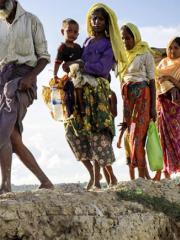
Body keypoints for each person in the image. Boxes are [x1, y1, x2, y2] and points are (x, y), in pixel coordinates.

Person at [63, 3, 125, 190]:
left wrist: (80, 64)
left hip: (98, 93)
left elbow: (103, 68)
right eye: (94, 18)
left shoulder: (109, 44)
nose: (96, 22)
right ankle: (93, 175)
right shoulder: (87, 42)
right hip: (80, 92)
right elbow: (77, 63)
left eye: (100, 19)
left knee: (96, 133)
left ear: (107, 23)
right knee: (73, 131)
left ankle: (100, 178)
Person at [0, 0, 54, 193]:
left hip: (22, 81)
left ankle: (5, 186)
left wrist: (30, 77)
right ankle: (45, 181)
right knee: (12, 137)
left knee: (3, 130)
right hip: (2, 80)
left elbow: (44, 56)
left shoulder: (31, 20)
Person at [153, 36, 180, 189]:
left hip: (177, 108)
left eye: (176, 48)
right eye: (170, 48)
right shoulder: (162, 64)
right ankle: (172, 176)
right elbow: (158, 85)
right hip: (163, 106)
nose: (172, 51)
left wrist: (171, 78)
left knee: (179, 141)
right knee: (163, 141)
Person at [117, 23, 156, 179]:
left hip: (143, 97)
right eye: (123, 38)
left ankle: (140, 178)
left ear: (135, 36)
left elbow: (152, 81)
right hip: (128, 98)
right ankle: (143, 176)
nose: (125, 41)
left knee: (137, 137)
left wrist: (153, 107)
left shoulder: (145, 53)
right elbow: (121, 81)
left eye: (128, 37)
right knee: (130, 136)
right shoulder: (121, 56)